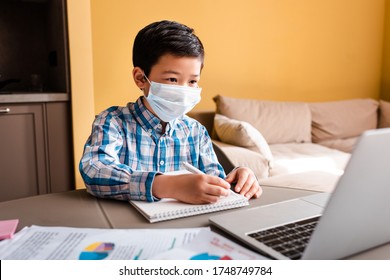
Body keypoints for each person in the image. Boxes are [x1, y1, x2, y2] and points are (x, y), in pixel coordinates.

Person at [79, 20, 262, 204]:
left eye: (192, 82)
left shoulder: (196, 132)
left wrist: (235, 180)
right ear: (141, 78)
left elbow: (214, 183)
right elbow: (94, 169)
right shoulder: (113, 122)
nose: (183, 91)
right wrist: (165, 185)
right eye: (172, 79)